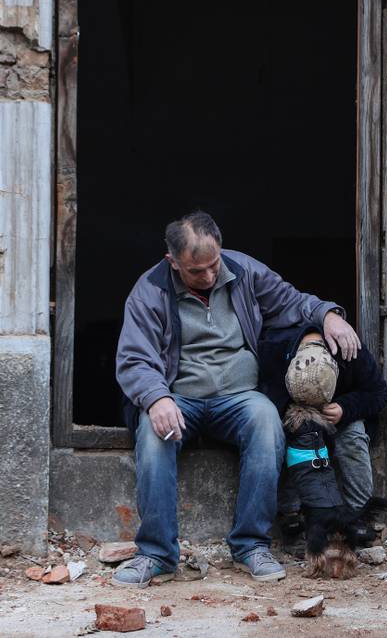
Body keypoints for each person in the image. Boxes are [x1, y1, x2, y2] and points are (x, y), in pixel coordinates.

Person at [114, 211, 360, 587]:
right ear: (173, 262)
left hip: (239, 398)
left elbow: (291, 301)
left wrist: (328, 315)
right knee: (152, 431)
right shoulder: (150, 290)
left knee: (266, 421)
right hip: (178, 397)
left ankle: (250, 545)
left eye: (214, 265)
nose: (210, 276)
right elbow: (134, 359)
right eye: (197, 271)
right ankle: (157, 554)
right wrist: (155, 398)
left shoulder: (243, 271)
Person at [257, 323, 387, 549]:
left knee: (354, 434)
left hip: (339, 417)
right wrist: (295, 411)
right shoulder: (275, 350)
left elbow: (378, 394)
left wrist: (345, 408)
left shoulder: (351, 352)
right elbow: (264, 392)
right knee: (280, 436)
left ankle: (358, 516)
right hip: (294, 414)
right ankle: (292, 519)